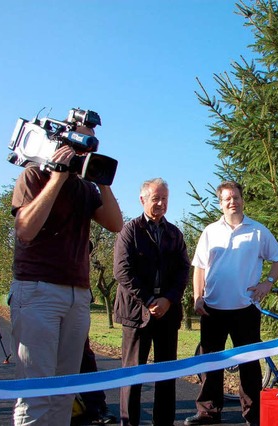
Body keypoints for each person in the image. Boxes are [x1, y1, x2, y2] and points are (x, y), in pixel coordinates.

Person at [9, 122, 123, 425]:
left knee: (65, 391)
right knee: (36, 392)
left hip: (77, 294)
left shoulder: (86, 189)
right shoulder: (33, 175)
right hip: (37, 290)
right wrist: (57, 178)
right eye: (80, 146)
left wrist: (103, 181)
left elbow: (115, 224)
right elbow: (26, 230)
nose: (84, 153)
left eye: (90, 148)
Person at [184, 181, 278, 426]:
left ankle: (253, 415)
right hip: (212, 308)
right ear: (220, 203)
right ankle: (208, 412)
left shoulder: (258, 231)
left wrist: (268, 283)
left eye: (236, 197)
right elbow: (199, 266)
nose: (232, 202)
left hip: (246, 309)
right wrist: (197, 296)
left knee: (249, 365)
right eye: (227, 198)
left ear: (242, 199)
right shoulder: (210, 231)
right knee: (210, 362)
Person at [113, 177, 191, 426]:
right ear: (142, 199)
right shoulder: (130, 231)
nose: (160, 203)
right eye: (156, 198)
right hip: (136, 313)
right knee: (133, 374)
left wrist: (168, 299)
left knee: (166, 375)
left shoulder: (174, 233)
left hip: (168, 313)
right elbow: (122, 271)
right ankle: (129, 422)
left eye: (164, 198)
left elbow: (182, 270)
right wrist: (148, 300)